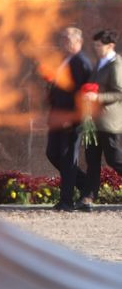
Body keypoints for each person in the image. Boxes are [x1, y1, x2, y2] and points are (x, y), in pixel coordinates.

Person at [45, 27, 92, 211]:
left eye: (67, 40)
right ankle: (87, 186)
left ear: (78, 42)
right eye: (62, 39)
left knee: (68, 158)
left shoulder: (81, 62)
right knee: (53, 153)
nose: (63, 43)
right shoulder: (66, 60)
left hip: (70, 118)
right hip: (58, 116)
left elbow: (81, 93)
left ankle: (66, 201)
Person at [78, 29, 122, 212]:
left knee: (115, 159)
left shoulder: (116, 64)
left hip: (109, 122)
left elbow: (119, 92)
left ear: (110, 45)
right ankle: (88, 197)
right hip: (93, 121)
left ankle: (88, 196)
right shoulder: (100, 63)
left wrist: (97, 97)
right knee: (92, 160)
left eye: (99, 45)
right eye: (94, 45)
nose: (95, 48)